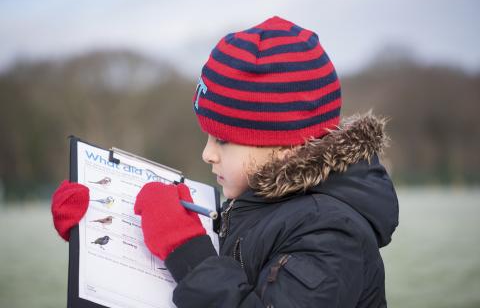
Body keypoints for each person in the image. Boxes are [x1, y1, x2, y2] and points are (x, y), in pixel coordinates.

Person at [51, 16, 399, 307]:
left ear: (286, 146)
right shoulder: (254, 203)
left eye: (223, 139)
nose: (207, 153)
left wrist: (185, 249)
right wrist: (101, 239)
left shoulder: (333, 234)